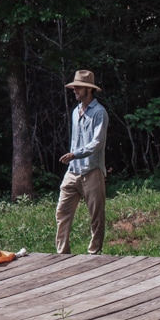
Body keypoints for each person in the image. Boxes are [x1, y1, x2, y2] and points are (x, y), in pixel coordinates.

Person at [56, 69, 108, 255]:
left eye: (78, 88)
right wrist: (73, 159)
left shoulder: (99, 113)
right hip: (73, 171)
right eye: (74, 88)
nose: (75, 91)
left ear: (89, 90)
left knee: (96, 216)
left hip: (91, 171)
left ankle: (94, 253)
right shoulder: (75, 111)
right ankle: (62, 253)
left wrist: (75, 154)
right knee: (62, 212)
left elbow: (97, 143)